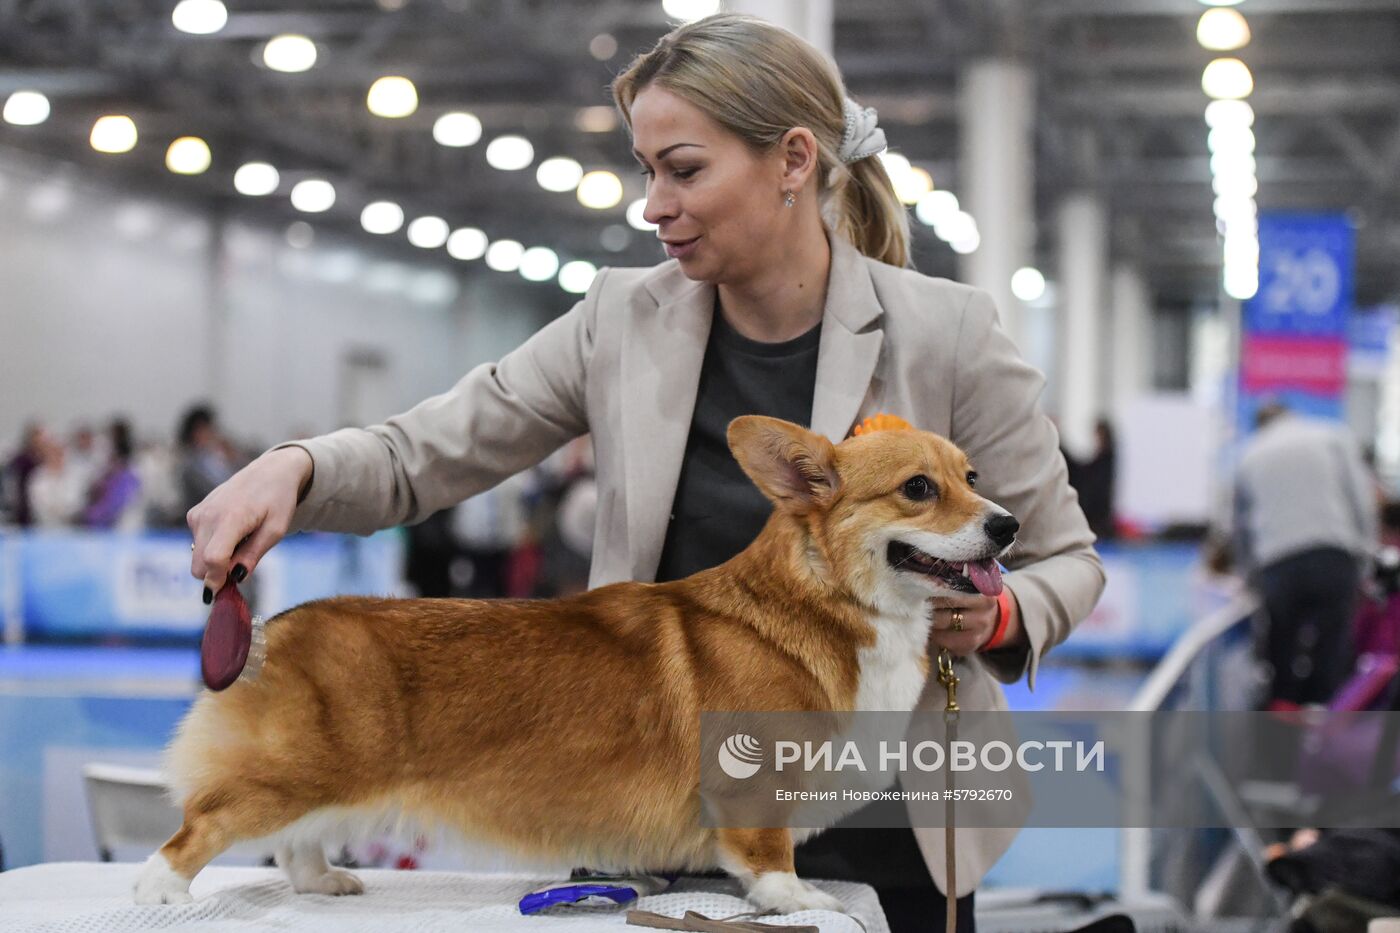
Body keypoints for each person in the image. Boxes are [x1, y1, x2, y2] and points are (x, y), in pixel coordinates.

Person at [186, 14, 1104, 931]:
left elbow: (1068, 557)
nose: (654, 203)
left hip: (885, 827)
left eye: (685, 168)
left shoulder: (950, 331)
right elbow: (425, 450)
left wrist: (1003, 613)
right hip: (649, 830)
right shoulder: (618, 318)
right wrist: (294, 470)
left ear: (791, 162)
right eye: (647, 170)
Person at [1232, 401, 1379, 709]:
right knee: (1332, 651)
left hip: (1278, 563)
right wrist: (1367, 556)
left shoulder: (1250, 454)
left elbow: (1241, 528)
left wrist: (1250, 578)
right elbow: (1361, 498)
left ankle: (1282, 729)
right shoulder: (1330, 436)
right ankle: (1325, 724)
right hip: (1333, 556)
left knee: (1281, 657)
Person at [82, 419, 143, 530]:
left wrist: (90, 514)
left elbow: (113, 506)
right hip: (103, 526)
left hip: (123, 527)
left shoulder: (128, 477)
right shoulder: (105, 476)